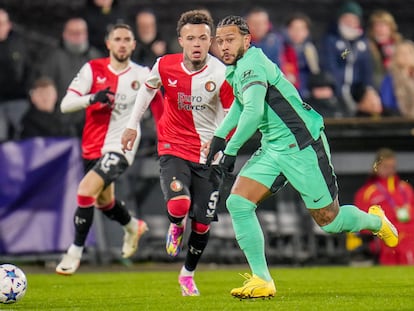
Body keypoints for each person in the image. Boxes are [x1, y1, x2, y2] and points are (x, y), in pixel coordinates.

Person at [207, 15, 398, 299]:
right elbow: (240, 104)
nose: (224, 46)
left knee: (330, 222)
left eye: (230, 39)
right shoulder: (238, 68)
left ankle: (376, 221)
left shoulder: (253, 64)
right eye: (219, 41)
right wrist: (219, 138)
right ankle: (262, 279)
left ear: (247, 40)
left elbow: (253, 113)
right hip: (273, 147)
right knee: (238, 202)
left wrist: (231, 150)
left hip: (301, 145)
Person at [121, 10, 234, 296]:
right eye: (191, 38)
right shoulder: (164, 66)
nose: (197, 43)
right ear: (180, 40)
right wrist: (132, 125)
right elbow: (147, 90)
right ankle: (174, 224)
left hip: (208, 154)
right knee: (180, 205)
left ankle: (187, 274)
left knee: (202, 225)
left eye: (203, 38)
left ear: (211, 42)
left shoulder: (220, 73)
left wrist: (222, 144)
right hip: (173, 146)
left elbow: (232, 115)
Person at [55, 23, 161, 275]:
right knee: (105, 202)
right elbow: (65, 104)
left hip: (121, 146)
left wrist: (165, 137)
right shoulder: (92, 69)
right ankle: (133, 226)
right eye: (118, 39)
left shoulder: (143, 74)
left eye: (127, 39)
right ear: (109, 44)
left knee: (85, 190)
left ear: (134, 45)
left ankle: (75, 251)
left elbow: (160, 108)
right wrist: (92, 98)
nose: (123, 43)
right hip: (92, 147)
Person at [38, 17, 102, 138]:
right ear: (64, 34)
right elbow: (44, 87)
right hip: (60, 121)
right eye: (73, 32)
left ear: (86, 34)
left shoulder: (96, 58)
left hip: (89, 121)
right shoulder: (52, 58)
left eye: (81, 32)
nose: (77, 36)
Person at [355, 148, 414, 265]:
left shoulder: (406, 188)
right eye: (385, 167)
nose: (390, 171)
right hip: (384, 236)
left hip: (409, 231)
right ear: (376, 167)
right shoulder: (366, 192)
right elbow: (361, 223)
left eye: (392, 167)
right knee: (399, 243)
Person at [320, 1, 374, 116]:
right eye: (346, 19)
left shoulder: (362, 43)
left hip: (356, 90)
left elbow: (366, 68)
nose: (350, 23)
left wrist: (368, 89)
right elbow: (335, 62)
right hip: (337, 90)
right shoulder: (332, 40)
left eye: (353, 20)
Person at [0, 8, 31, 141]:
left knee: (23, 135)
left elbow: (29, 69)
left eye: (2, 23)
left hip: (18, 98)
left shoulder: (19, 44)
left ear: (9, 25)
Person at [280, 12, 320, 98]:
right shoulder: (280, 48)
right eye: (293, 28)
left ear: (307, 32)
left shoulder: (311, 49)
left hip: (307, 94)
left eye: (301, 29)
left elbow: (316, 72)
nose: (297, 33)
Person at [367, 10, 403, 90]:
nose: (380, 29)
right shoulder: (364, 45)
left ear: (391, 27)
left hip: (399, 88)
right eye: (377, 25)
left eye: (384, 25)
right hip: (376, 88)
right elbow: (344, 54)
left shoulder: (401, 46)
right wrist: (344, 53)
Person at [380, 40, 414, 118]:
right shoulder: (390, 78)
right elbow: (387, 103)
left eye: (409, 53)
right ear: (395, 57)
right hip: (399, 120)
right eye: (401, 53)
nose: (405, 56)